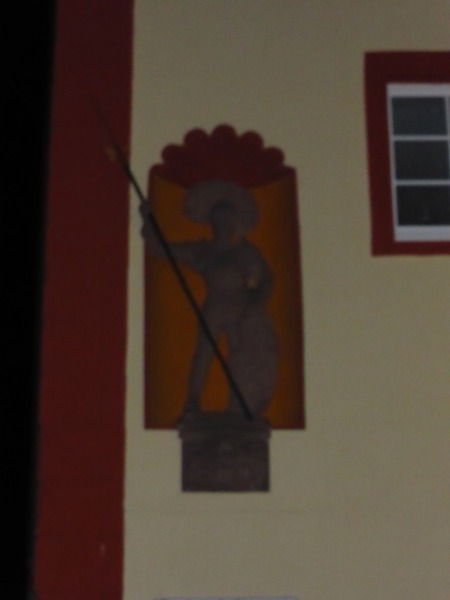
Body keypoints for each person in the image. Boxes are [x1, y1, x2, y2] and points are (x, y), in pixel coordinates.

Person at [141, 179, 278, 417]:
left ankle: (240, 404)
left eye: (227, 221)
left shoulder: (246, 252)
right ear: (212, 223)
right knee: (203, 355)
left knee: (239, 356)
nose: (223, 226)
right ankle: (193, 401)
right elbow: (160, 248)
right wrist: (148, 220)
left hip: (241, 310)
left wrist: (256, 306)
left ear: (234, 224)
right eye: (219, 220)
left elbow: (266, 281)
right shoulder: (203, 251)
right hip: (214, 307)